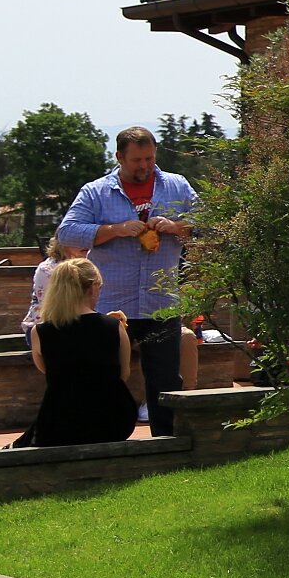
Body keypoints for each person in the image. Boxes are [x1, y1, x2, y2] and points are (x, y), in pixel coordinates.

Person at [55, 126, 196, 435]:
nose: (144, 166)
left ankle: (167, 443)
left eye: (149, 158)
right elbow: (67, 232)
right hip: (112, 305)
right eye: (136, 160)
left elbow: (208, 224)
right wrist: (115, 229)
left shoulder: (178, 186)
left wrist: (176, 226)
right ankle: (100, 441)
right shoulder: (96, 191)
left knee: (165, 381)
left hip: (161, 304)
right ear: (119, 157)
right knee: (102, 376)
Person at [14, 258, 136, 448]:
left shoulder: (40, 332)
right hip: (114, 419)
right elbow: (123, 374)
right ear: (93, 288)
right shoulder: (114, 327)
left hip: (61, 423)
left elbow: (51, 371)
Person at [21, 237, 81, 339]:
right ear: (62, 243)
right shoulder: (47, 270)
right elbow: (55, 306)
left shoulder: (89, 265)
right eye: (79, 239)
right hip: (45, 327)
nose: (85, 242)